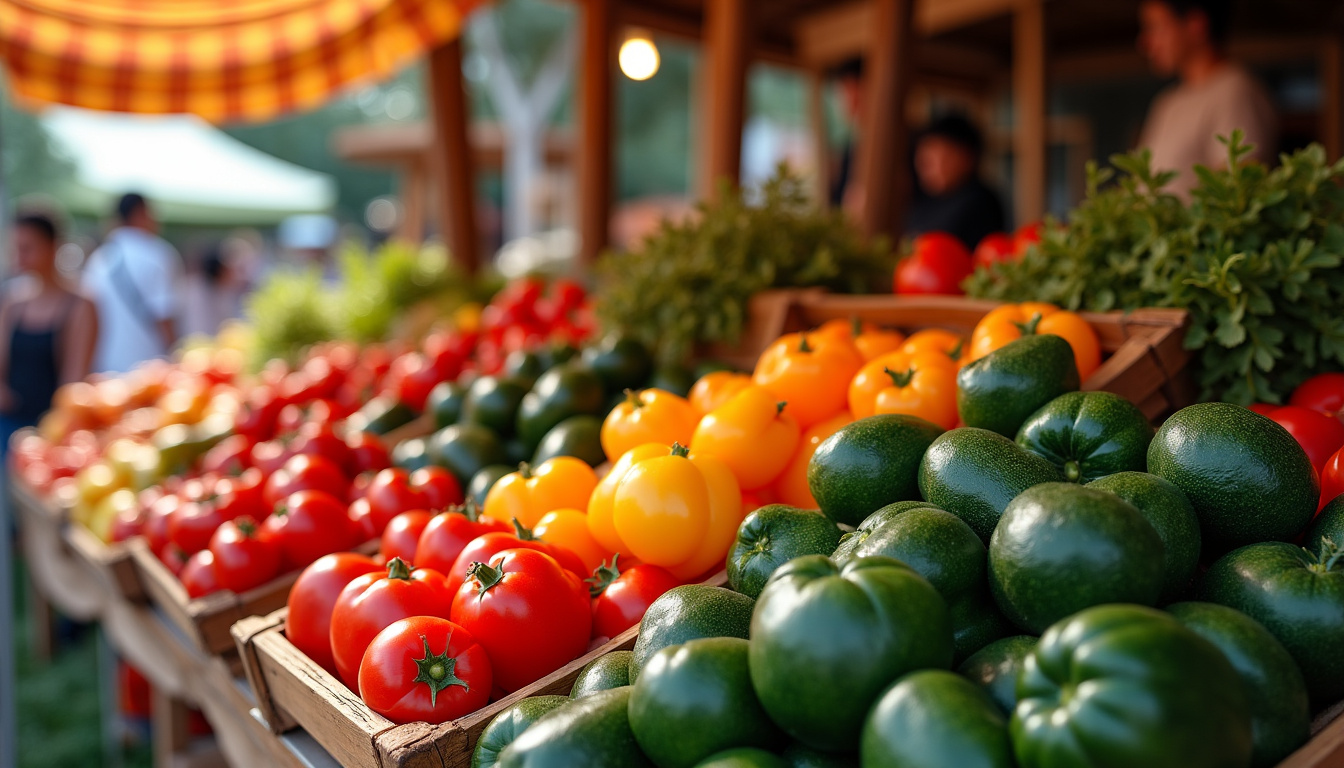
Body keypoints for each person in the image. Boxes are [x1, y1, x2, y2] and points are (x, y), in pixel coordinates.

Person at [1137, 0, 1277, 197]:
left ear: (1196, 24)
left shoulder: (1233, 91)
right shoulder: (1167, 103)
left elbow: (1234, 189)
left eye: (1156, 27)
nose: (1145, 42)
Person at [0, 212, 98, 449]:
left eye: (27, 248)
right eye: (17, 248)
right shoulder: (12, 301)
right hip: (8, 423)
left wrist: (53, 431)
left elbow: (74, 380)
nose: (19, 257)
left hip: (52, 430)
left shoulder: (80, 304)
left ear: (53, 247)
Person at [83, 193, 181, 373]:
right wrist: (178, 358)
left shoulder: (98, 259)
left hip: (103, 371)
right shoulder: (158, 253)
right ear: (140, 213)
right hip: (150, 371)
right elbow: (165, 317)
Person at [904, 114, 1006, 251]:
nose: (926, 166)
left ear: (967, 158)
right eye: (924, 157)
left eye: (939, 156)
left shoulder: (980, 202)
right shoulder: (923, 199)